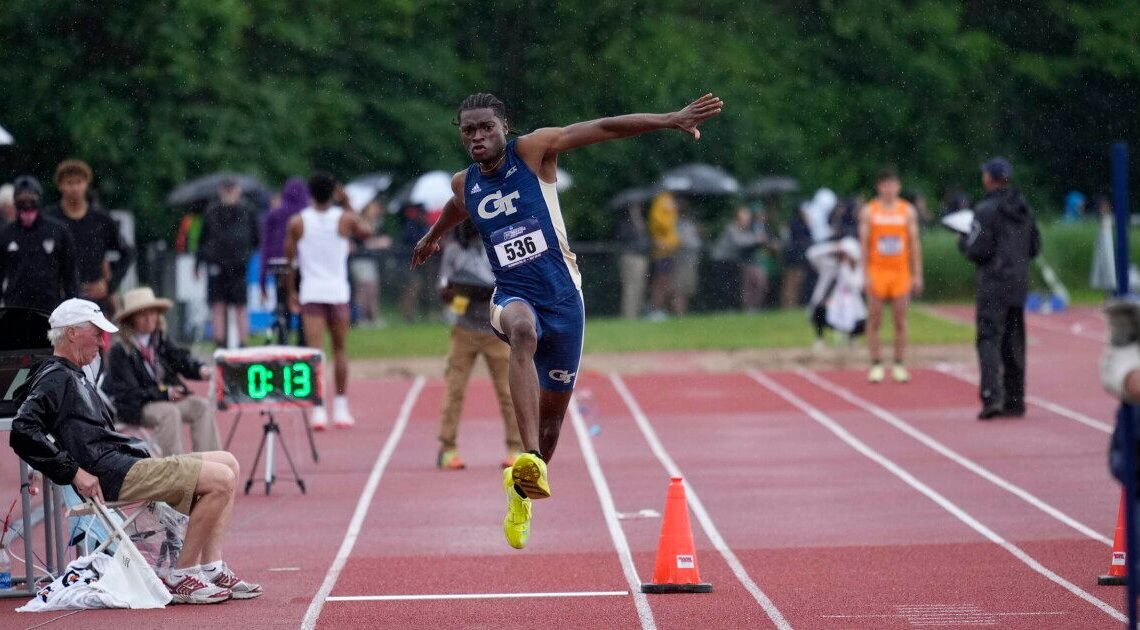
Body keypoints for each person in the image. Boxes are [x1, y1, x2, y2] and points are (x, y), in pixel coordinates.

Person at [411, 91, 723, 549]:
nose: (477, 137)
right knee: (520, 331)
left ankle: (523, 491)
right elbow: (459, 206)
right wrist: (433, 236)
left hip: (564, 300)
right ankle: (528, 455)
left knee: (554, 421)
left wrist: (668, 119)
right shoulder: (465, 182)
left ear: (505, 126)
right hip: (513, 294)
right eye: (468, 130)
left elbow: (603, 127)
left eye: (486, 128)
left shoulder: (535, 151)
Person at [9, 298, 260, 604]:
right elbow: (23, 429)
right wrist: (74, 472)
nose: (103, 341)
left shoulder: (71, 373)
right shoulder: (56, 377)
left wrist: (50, 466)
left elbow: (44, 429)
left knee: (228, 462)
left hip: (122, 462)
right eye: (96, 332)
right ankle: (182, 574)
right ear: (72, 333)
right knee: (220, 478)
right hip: (113, 472)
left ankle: (211, 566)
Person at [285, 172, 371, 429]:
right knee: (340, 350)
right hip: (336, 293)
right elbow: (366, 231)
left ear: (310, 194)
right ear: (333, 192)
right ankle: (341, 408)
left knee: (315, 353)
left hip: (312, 292)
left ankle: (319, 410)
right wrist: (347, 202)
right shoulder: (344, 219)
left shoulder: (298, 222)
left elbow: (288, 260)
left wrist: (290, 291)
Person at [436, 219, 523, 470]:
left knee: (508, 391)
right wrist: (457, 292)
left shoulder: (499, 247)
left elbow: (513, 284)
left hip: (496, 329)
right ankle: (447, 448)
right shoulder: (453, 251)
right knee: (455, 390)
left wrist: (489, 291)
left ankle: (515, 447)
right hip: (464, 329)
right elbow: (443, 288)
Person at [959, 157, 1041, 420]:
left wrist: (963, 242)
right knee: (1015, 340)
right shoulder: (1024, 208)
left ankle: (991, 396)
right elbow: (1035, 247)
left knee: (988, 339)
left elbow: (978, 249)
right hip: (1018, 282)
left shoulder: (985, 209)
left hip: (993, 282)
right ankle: (1016, 399)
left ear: (989, 178)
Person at [102, 287, 220, 456]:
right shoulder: (119, 350)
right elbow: (130, 394)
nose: (149, 318)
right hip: (136, 407)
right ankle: (177, 472)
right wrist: (166, 393)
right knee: (169, 413)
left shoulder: (159, 339)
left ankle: (211, 465)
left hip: (163, 398)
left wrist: (201, 370)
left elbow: (181, 360)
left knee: (201, 406)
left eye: (153, 313)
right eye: (142, 314)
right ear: (130, 320)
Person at [44, 159, 134, 316]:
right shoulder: (48, 220)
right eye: (69, 182)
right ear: (60, 185)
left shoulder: (101, 220)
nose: (74, 188)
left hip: (93, 302)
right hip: (56, 302)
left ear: (86, 184)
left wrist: (109, 285)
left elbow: (128, 253)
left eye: (79, 182)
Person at [860, 166, 923, 383]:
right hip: (877, 271)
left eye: (893, 185)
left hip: (900, 271)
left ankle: (898, 363)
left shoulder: (907, 211)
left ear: (898, 187)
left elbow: (914, 244)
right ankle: (876, 363)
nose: (889, 189)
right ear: (879, 187)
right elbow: (864, 245)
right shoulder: (870, 211)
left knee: (900, 319)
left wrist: (917, 274)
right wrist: (864, 273)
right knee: (875, 318)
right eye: (885, 185)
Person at [0, 176, 79, 312]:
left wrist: (72, 307)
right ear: (15, 200)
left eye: (31, 196)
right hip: (14, 308)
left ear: (39, 197)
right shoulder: (6, 234)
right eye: (21, 197)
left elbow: (70, 275)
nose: (27, 201)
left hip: (50, 310)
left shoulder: (57, 231)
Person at [197, 178, 259, 347]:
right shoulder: (212, 212)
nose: (230, 193)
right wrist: (199, 263)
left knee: (240, 305)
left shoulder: (246, 211)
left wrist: (246, 255)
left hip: (239, 266)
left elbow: (255, 238)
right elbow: (202, 240)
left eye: (232, 189)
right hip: (217, 266)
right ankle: (220, 342)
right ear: (221, 191)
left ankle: (243, 342)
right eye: (227, 189)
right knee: (218, 305)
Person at [806, 236, 866, 351]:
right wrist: (833, 247)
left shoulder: (858, 270)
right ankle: (820, 339)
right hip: (831, 306)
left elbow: (855, 285)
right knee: (819, 309)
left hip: (850, 309)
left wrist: (845, 267)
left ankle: (851, 338)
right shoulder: (828, 266)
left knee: (861, 320)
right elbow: (811, 254)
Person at [711, 206, 770, 312]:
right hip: (721, 260)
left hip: (732, 261)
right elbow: (739, 242)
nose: (746, 220)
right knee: (723, 287)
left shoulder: (746, 229)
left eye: (747, 217)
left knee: (733, 287)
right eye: (744, 217)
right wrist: (757, 239)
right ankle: (722, 309)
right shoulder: (731, 228)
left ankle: (737, 309)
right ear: (737, 218)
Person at [615, 200, 650, 319]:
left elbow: (645, 236)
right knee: (630, 287)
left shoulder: (642, 222)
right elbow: (625, 239)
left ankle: (637, 312)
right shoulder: (625, 223)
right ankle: (629, 314)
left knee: (639, 286)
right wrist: (635, 220)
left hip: (641, 257)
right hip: (630, 257)